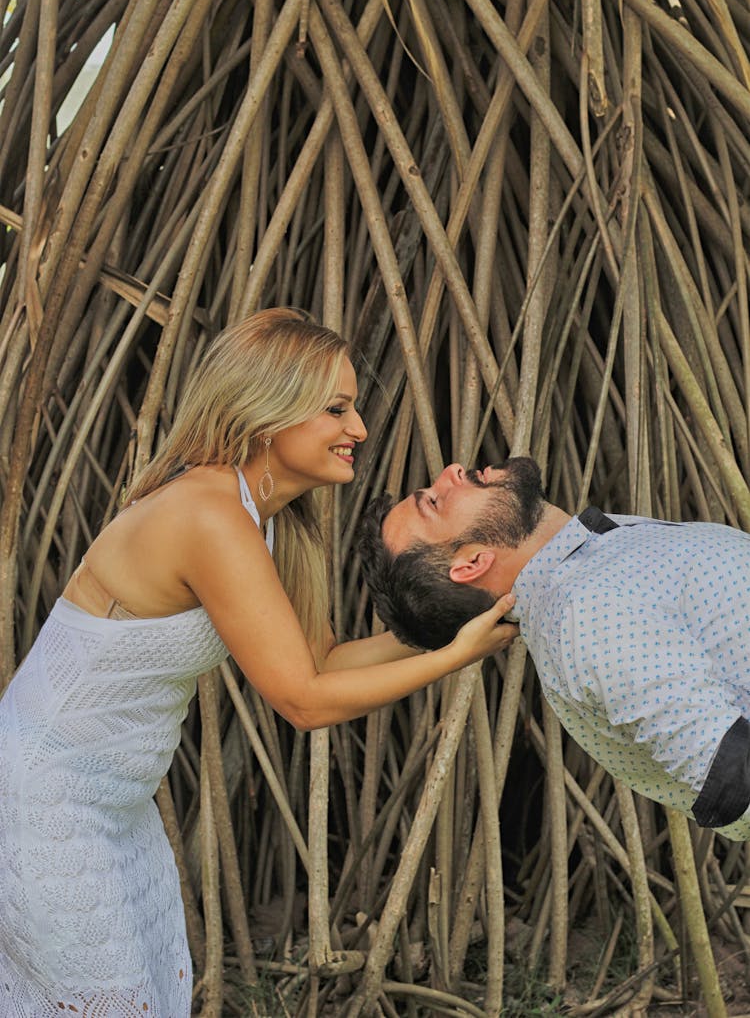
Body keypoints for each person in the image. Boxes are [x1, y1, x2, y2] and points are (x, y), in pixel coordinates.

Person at [0, 309, 518, 1018]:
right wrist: (456, 655)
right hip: (48, 800)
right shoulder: (209, 514)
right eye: (335, 408)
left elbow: (323, 660)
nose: (360, 428)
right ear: (266, 412)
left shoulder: (259, 517)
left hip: (108, 803)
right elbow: (304, 701)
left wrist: (465, 618)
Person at [358, 456, 750, 841]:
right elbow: (732, 779)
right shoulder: (590, 613)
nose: (452, 472)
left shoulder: (592, 572)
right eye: (435, 501)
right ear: (473, 562)